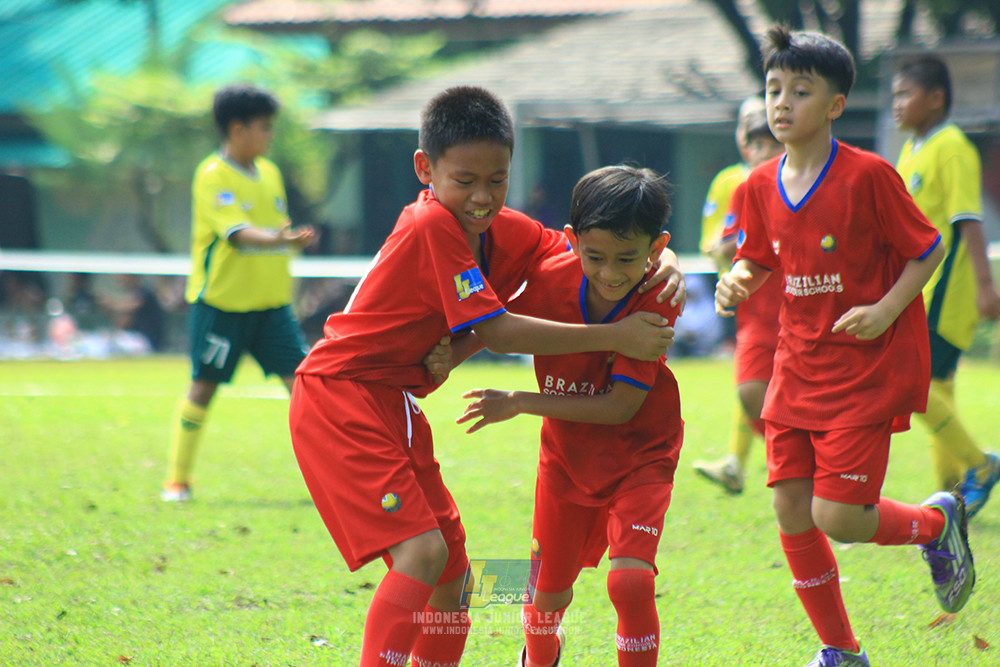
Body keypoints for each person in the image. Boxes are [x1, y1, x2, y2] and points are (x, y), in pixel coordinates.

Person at [288, 86, 681, 667]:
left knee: (452, 577)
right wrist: (613, 336)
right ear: (426, 169)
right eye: (465, 179)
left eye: (497, 179)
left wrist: (661, 259)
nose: (481, 196)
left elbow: (580, 249)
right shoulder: (430, 225)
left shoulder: (505, 229)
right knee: (421, 557)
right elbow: (499, 331)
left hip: (393, 402)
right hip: (342, 393)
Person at [715, 26, 974, 667]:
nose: (781, 103)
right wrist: (735, 281)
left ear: (834, 105)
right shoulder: (755, 186)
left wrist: (886, 310)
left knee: (840, 518)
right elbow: (756, 261)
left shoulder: (869, 176)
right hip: (795, 366)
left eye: (800, 91)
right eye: (774, 89)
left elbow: (928, 247)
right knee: (790, 508)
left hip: (864, 369)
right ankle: (841, 651)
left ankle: (935, 524)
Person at [451, 165, 681, 667]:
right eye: (595, 256)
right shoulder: (551, 276)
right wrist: (448, 355)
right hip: (567, 461)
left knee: (631, 581)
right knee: (545, 594)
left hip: (641, 455)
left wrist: (518, 402)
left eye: (628, 258)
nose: (612, 272)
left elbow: (621, 406)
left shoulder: (659, 295)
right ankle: (538, 659)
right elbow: (499, 324)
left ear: (657, 248)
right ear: (572, 240)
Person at [162, 84, 315, 502]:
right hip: (222, 306)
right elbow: (238, 234)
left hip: (271, 307)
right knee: (204, 387)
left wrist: (288, 238)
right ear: (237, 128)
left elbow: (275, 228)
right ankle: (177, 480)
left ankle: (332, 484)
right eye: (265, 127)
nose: (270, 135)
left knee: (305, 390)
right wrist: (282, 240)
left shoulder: (269, 172)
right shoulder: (212, 175)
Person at [892, 55, 1000, 517]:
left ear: (935, 99)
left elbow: (967, 221)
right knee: (939, 388)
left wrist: (984, 285)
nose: (897, 104)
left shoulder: (953, 145)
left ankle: (979, 466)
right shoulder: (912, 149)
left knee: (914, 384)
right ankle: (953, 492)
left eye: (906, 95)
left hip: (945, 290)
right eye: (894, 95)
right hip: (919, 289)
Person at [693, 114, 785, 493]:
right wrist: (724, 253)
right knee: (750, 395)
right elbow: (723, 242)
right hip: (754, 313)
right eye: (757, 144)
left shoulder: (803, 187)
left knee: (789, 400)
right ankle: (793, 465)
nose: (764, 152)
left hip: (797, 312)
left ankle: (796, 471)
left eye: (772, 143)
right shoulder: (741, 188)